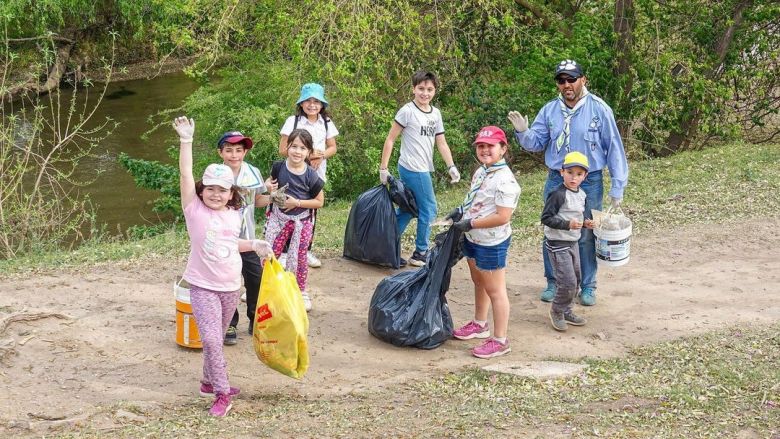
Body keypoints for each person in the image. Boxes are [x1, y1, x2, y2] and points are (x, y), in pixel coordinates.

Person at [172, 116, 272, 417]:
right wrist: (186, 140)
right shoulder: (193, 209)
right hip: (203, 287)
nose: (216, 194)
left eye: (223, 190)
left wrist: (254, 244)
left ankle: (206, 381)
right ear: (202, 190)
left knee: (215, 338)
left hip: (231, 287)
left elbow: (231, 244)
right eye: (210, 189)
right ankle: (221, 392)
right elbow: (185, 174)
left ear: (232, 193)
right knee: (213, 340)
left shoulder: (233, 214)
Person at [508, 59, 628, 306]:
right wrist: (522, 132)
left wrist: (618, 186)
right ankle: (554, 282)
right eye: (561, 81)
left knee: (586, 232)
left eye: (571, 79)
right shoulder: (550, 110)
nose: (566, 85)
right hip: (557, 179)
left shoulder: (599, 109)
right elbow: (536, 143)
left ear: (583, 79)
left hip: (589, 179)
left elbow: (614, 148)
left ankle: (587, 286)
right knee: (554, 230)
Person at [448, 126, 520, 359]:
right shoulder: (481, 172)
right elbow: (477, 199)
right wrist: (460, 211)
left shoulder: (506, 181)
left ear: (503, 149)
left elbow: (502, 216)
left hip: (490, 241)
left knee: (495, 290)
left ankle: (500, 339)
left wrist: (471, 224)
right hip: (472, 236)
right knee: (478, 281)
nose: (485, 150)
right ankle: (480, 324)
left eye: (490, 146)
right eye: (481, 146)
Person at [380, 70, 461, 267]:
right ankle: (420, 253)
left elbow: (441, 142)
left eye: (430, 89)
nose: (425, 93)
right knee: (429, 208)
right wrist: (383, 167)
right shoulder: (407, 111)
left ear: (435, 91)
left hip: (425, 166)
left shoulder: (436, 114)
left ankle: (384, 245)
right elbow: (391, 139)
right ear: (413, 89)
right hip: (412, 167)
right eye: (421, 89)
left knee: (409, 209)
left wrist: (451, 166)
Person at [216, 130, 276, 345]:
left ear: (246, 152)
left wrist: (272, 198)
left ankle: (255, 319)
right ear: (220, 152)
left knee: (255, 279)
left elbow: (257, 200)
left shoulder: (253, 172)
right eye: (229, 150)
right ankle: (229, 322)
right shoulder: (215, 173)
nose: (234, 155)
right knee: (228, 282)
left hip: (248, 238)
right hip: (224, 239)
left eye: (239, 150)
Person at [279, 83, 339, 269]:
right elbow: (282, 149)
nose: (312, 105)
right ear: (301, 103)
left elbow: (333, 148)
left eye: (316, 101)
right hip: (294, 171)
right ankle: (285, 251)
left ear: (322, 104)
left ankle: (305, 250)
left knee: (311, 212)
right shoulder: (293, 121)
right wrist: (310, 156)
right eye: (308, 101)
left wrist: (320, 156)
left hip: (316, 173)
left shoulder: (326, 122)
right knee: (289, 208)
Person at [266, 129, 325, 312]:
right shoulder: (278, 167)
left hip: (302, 221)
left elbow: (319, 202)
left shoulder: (311, 175)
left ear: (309, 152)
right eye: (294, 146)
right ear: (287, 147)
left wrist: (297, 202)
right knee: (269, 253)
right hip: (278, 217)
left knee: (299, 257)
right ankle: (266, 286)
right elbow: (270, 184)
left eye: (303, 148)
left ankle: (300, 291)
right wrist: (268, 186)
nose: (297, 152)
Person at [541, 151, 593, 331]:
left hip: (573, 243)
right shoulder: (558, 194)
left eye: (579, 174)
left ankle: (567, 310)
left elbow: (579, 217)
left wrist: (586, 224)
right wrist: (567, 224)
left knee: (576, 279)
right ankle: (556, 310)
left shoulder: (582, 194)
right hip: (557, 244)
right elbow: (546, 218)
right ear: (562, 172)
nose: (574, 177)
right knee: (567, 281)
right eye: (570, 172)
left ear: (585, 176)